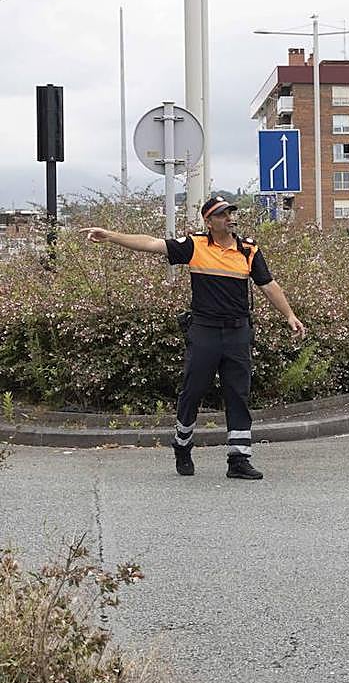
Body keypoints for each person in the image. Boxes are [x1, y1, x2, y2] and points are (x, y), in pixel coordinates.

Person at [81, 196, 306, 480]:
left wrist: (289, 315)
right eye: (222, 214)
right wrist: (111, 236)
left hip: (237, 332)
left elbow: (268, 285)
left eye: (230, 213)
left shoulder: (248, 250)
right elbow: (152, 244)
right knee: (193, 391)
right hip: (204, 331)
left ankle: (239, 460)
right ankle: (183, 444)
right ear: (209, 222)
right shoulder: (195, 245)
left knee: (238, 394)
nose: (229, 218)